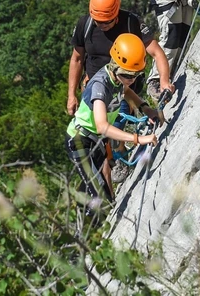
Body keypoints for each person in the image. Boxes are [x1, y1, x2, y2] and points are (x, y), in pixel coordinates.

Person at [65, 34, 159, 216]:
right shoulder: (100, 85)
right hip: (79, 140)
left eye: (135, 75)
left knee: (100, 187)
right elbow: (102, 126)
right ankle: (89, 232)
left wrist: (146, 109)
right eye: (126, 75)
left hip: (93, 139)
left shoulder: (116, 78)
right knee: (100, 196)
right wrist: (137, 139)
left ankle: (84, 211)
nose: (130, 79)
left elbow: (126, 91)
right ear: (115, 66)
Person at [66, 0, 173, 117]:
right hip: (94, 89)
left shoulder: (131, 23)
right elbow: (77, 59)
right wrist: (71, 95)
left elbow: (156, 52)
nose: (103, 26)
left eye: (107, 22)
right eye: (98, 22)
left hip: (125, 91)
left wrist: (164, 81)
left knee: (117, 127)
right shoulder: (85, 24)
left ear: (116, 14)